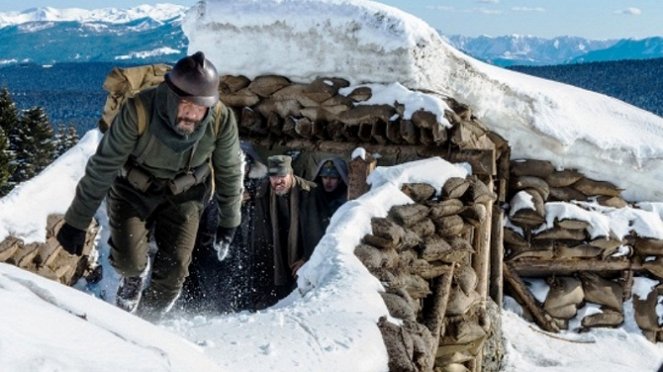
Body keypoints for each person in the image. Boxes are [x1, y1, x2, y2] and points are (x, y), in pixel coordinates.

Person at [55, 51, 243, 319]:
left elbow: (229, 169)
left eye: (200, 107)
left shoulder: (220, 120)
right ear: (171, 96)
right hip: (133, 189)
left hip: (185, 194)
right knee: (129, 261)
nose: (192, 113)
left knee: (175, 270)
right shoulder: (139, 110)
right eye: (186, 104)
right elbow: (103, 166)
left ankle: (147, 324)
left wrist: (229, 219)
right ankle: (132, 280)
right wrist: (77, 221)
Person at [181, 141, 266, 313]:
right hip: (209, 242)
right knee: (209, 281)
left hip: (241, 245)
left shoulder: (257, 190)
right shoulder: (211, 186)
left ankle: (233, 313)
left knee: (237, 281)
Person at [250, 154, 316, 308]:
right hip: (276, 260)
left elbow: (319, 232)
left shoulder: (309, 193)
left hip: (302, 260)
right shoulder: (263, 194)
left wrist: (308, 258)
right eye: (273, 176)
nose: (277, 181)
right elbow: (260, 234)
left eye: (282, 176)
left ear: (291, 174)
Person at [301, 157, 348, 259]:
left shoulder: (345, 201)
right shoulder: (314, 198)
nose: (328, 182)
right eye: (325, 177)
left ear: (340, 179)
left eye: (333, 178)